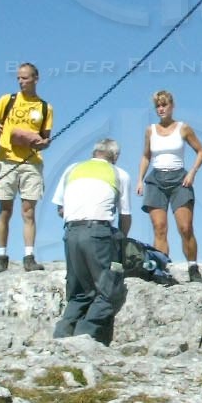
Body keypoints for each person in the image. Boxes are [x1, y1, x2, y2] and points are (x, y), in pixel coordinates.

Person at [51, 138, 133, 344]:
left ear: (94, 153)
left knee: (79, 291)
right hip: (98, 232)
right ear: (115, 157)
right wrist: (120, 243)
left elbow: (60, 208)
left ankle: (62, 333)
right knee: (108, 291)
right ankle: (83, 334)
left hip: (70, 232)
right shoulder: (119, 174)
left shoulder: (72, 169)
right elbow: (125, 215)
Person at [0, 62, 53, 272]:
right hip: (6, 160)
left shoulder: (44, 107)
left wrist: (43, 143)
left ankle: (29, 256)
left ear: (35, 79)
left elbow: (47, 138)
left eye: (25, 78)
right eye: (19, 78)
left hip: (31, 162)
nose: (21, 81)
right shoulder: (8, 100)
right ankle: (2, 255)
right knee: (5, 209)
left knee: (28, 211)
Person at [141, 90, 202, 283]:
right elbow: (146, 156)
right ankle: (161, 269)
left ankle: (193, 268)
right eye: (158, 106)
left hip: (180, 179)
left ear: (172, 106)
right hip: (156, 180)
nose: (161, 109)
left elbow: (201, 151)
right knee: (159, 227)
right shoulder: (150, 130)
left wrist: (192, 172)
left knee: (185, 227)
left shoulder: (183, 128)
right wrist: (140, 179)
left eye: (164, 105)